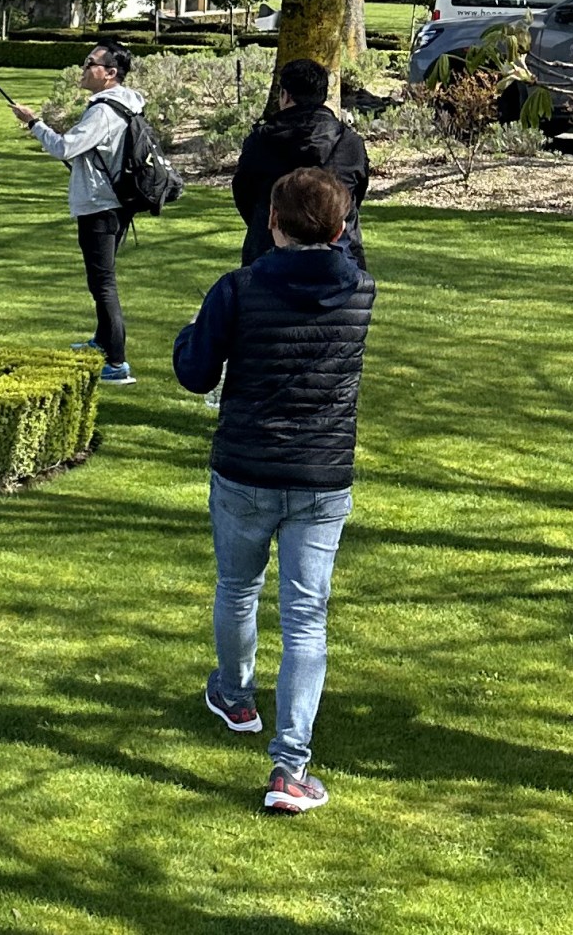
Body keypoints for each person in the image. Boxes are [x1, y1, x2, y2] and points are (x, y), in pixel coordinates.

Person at [172, 167, 374, 814]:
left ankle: (236, 694)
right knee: (305, 616)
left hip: (248, 468)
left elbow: (195, 372)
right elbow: (336, 258)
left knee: (238, 586)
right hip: (319, 475)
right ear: (341, 229)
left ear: (272, 223)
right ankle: (289, 766)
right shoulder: (359, 291)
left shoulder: (239, 288)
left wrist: (190, 331)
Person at [10, 41, 147, 386]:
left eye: (91, 64)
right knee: (101, 280)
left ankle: (116, 364)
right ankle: (102, 343)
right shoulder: (124, 104)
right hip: (115, 204)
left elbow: (64, 147)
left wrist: (34, 124)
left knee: (103, 284)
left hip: (100, 207)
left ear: (110, 73)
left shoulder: (104, 110)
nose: (84, 69)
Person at [233, 58, 370, 271]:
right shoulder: (350, 143)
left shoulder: (260, 142)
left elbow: (244, 193)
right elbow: (354, 195)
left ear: (285, 95)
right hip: (339, 255)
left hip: (269, 251)